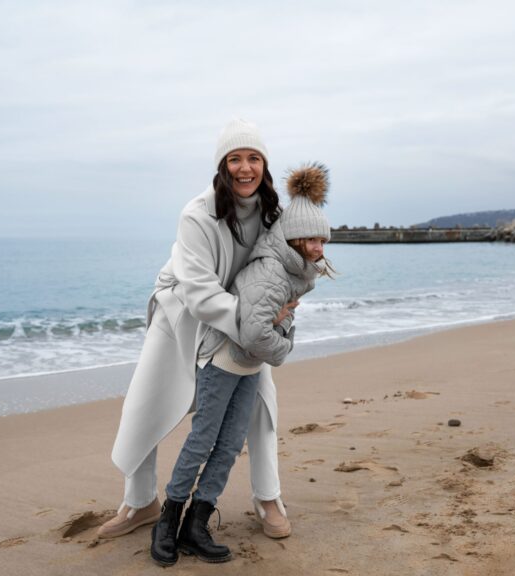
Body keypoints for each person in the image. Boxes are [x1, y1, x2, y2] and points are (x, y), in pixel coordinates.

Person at [98, 119, 293, 544]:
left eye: (254, 158)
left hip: (244, 314)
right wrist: (255, 322)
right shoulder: (196, 214)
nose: (245, 168)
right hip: (182, 309)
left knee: (262, 401)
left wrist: (274, 313)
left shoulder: (273, 214)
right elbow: (201, 296)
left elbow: (289, 266)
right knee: (146, 403)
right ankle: (140, 501)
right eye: (235, 159)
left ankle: (268, 497)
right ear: (222, 167)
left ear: (264, 165)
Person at [150, 162, 334, 566]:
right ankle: (168, 520)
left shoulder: (294, 269)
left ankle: (196, 524)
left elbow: (276, 320)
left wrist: (281, 325)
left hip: (248, 365)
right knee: (203, 441)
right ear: (294, 238)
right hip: (223, 361)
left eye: (324, 239)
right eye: (313, 239)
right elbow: (254, 333)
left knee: (231, 445)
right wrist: (284, 345)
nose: (321, 248)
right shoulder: (273, 272)